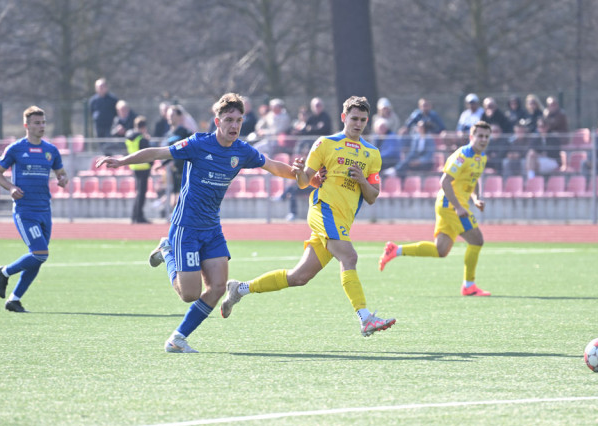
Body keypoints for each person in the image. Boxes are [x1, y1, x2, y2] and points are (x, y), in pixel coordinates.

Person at [96, 92, 301, 353]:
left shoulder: (242, 150)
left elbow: (273, 166)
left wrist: (299, 175)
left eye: (239, 120)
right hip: (186, 227)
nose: (234, 126)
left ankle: (177, 339)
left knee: (216, 288)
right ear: (217, 122)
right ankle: (167, 251)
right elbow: (159, 152)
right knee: (189, 294)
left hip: (212, 228)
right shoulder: (197, 144)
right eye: (229, 119)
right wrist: (123, 160)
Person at [219, 96, 395, 338]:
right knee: (349, 256)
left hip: (343, 220)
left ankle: (239, 289)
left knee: (299, 277)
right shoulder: (325, 143)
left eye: (363, 120)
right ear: (344, 118)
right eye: (354, 118)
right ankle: (365, 319)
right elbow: (304, 182)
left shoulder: (372, 153)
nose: (358, 124)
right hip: (323, 210)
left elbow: (373, 195)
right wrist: (301, 172)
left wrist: (362, 180)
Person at [379, 121, 493, 297]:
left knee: (441, 251)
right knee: (477, 240)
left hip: (452, 206)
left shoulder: (481, 157)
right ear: (472, 137)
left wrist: (476, 198)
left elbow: (474, 179)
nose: (483, 139)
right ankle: (469, 285)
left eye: (486, 136)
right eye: (480, 136)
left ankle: (396, 250)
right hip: (451, 206)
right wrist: (458, 207)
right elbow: (445, 182)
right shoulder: (462, 156)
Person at [0, 106, 69, 313]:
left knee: (38, 257)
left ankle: (14, 299)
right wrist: (11, 187)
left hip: (45, 209)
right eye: (37, 123)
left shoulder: (51, 151)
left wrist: (63, 179)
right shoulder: (16, 149)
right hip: (25, 211)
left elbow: (62, 173)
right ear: (26, 125)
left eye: (43, 122)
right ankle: (4, 272)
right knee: (40, 253)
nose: (41, 126)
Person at [124, 116, 152, 224]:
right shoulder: (142, 139)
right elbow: (148, 154)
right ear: (144, 127)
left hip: (135, 167)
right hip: (144, 167)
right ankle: (139, 216)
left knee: (138, 193)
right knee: (141, 193)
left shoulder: (130, 137)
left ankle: (134, 215)